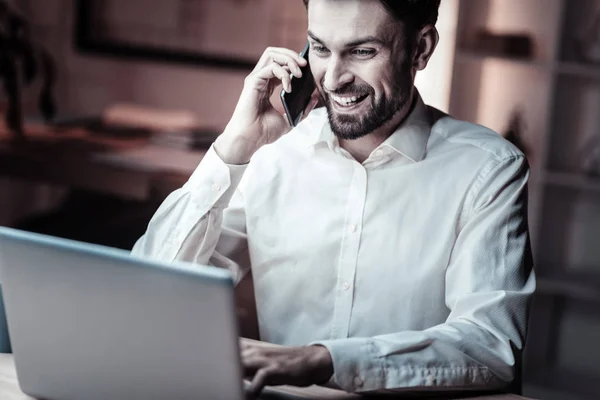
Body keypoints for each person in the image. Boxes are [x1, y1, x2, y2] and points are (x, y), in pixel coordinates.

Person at [132, 0, 536, 397]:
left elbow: (490, 345)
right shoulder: (272, 153)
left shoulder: (489, 168)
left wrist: (325, 359)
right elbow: (146, 297)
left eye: (362, 51)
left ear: (420, 49)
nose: (333, 79)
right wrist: (234, 147)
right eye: (322, 49)